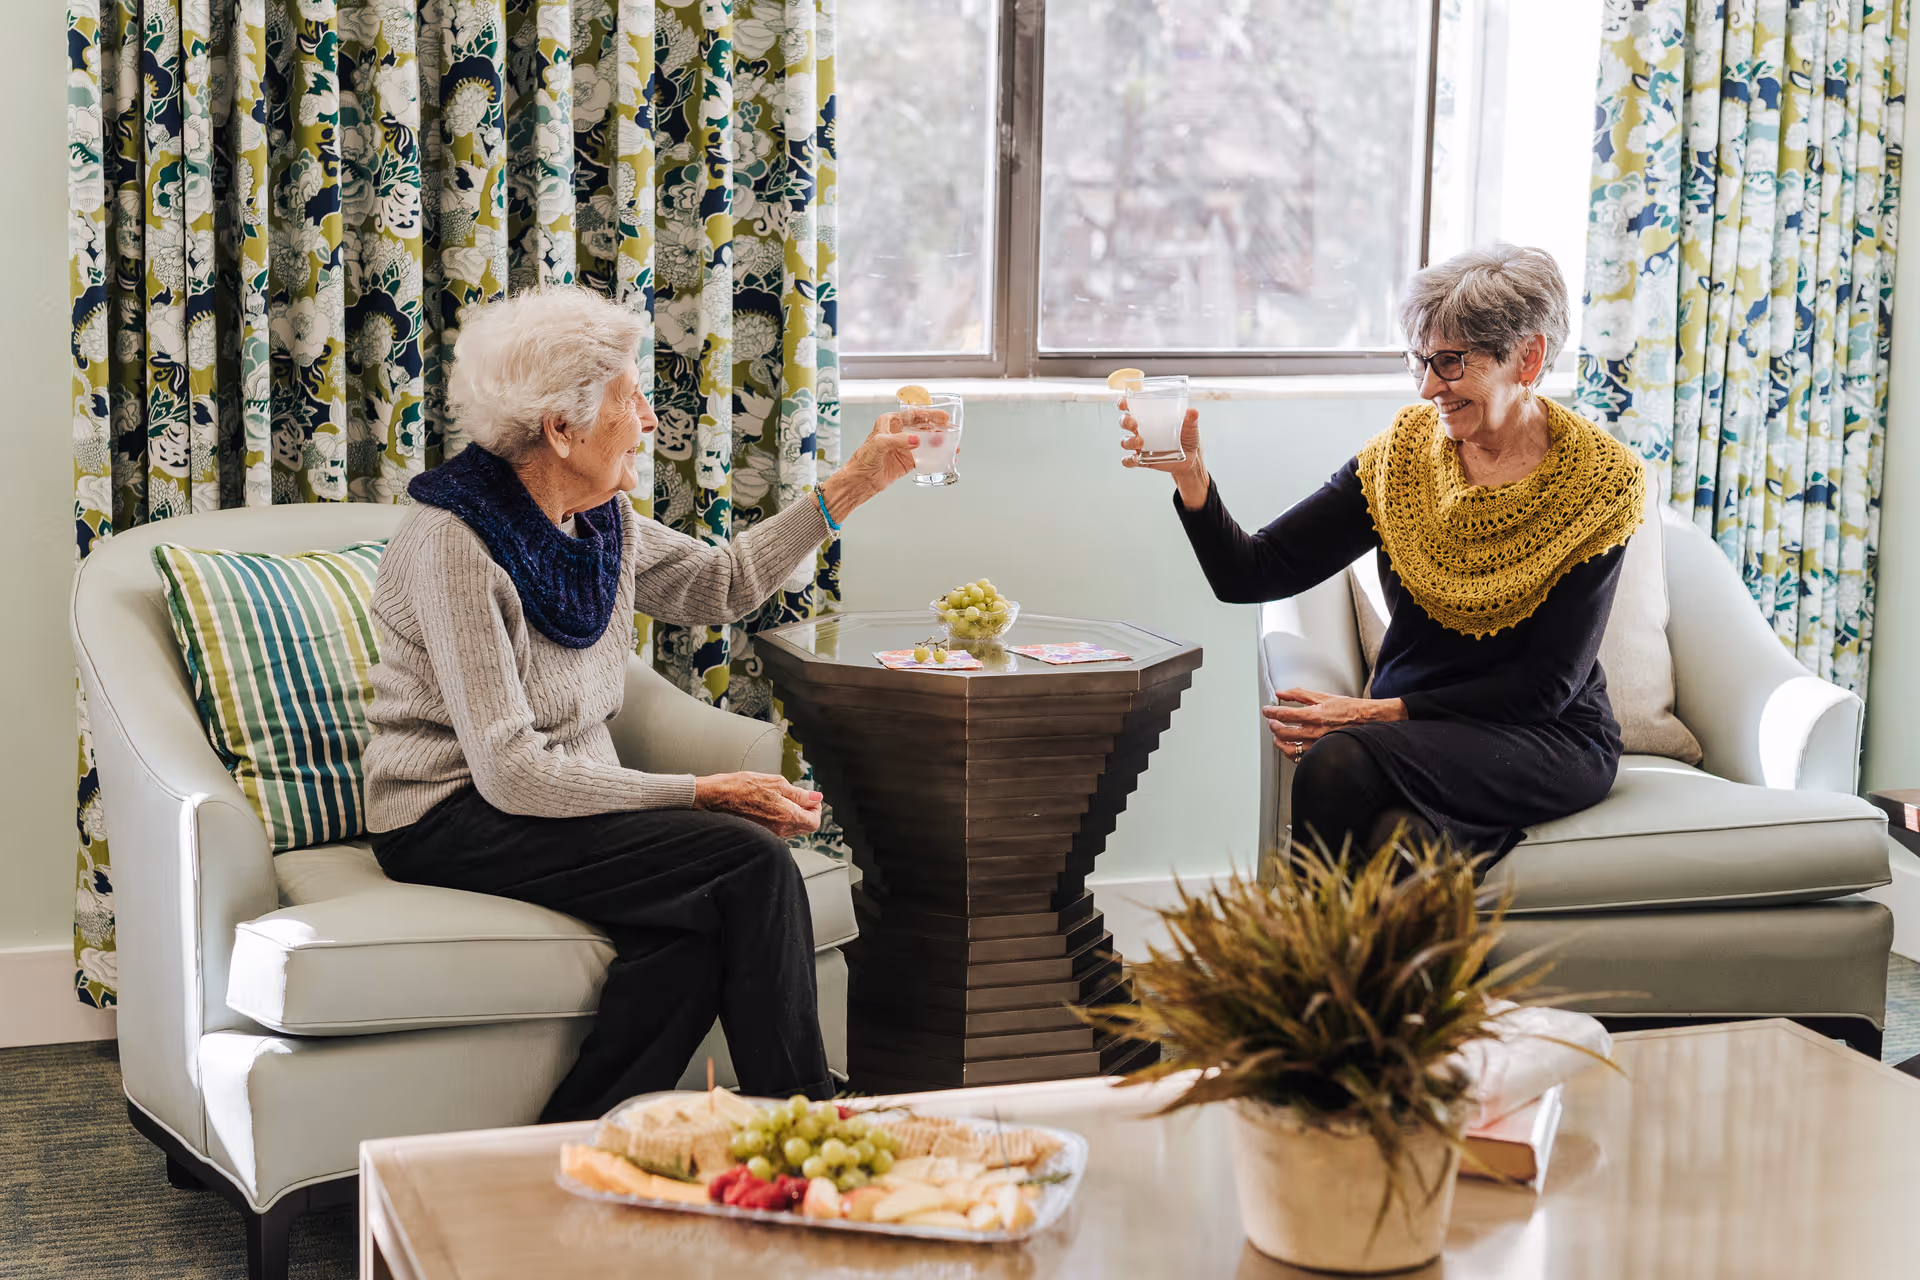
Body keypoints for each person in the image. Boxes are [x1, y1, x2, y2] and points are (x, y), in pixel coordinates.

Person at [363, 286, 924, 1121]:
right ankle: (805, 1128)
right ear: (562, 427)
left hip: (545, 796)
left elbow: (720, 582)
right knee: (750, 862)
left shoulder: (596, 519)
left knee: (692, 933)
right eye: (633, 398)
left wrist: (851, 486)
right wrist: (701, 791)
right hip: (448, 813)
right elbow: (511, 773)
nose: (652, 421)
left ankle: (568, 1145)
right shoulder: (454, 540)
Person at [1124, 244, 1643, 862]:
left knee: (1340, 760)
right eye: (1420, 361)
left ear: (1527, 358)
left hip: (1539, 738)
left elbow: (1542, 689)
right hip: (1422, 734)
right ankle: (1355, 959)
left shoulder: (1599, 483)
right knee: (1404, 844)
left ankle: (1314, 960)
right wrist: (1192, 477)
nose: (1428, 388)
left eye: (1450, 363)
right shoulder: (1403, 458)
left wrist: (1376, 713)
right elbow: (1251, 573)